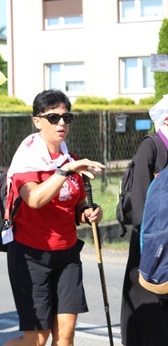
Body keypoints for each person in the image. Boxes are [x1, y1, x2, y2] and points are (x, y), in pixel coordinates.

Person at [4, 89, 105, 346]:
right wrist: (64, 170)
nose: (61, 123)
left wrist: (88, 213)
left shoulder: (67, 157)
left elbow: (77, 204)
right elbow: (35, 199)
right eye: (53, 117)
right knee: (37, 339)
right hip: (32, 256)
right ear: (37, 121)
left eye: (66, 117)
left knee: (66, 335)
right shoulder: (27, 160)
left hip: (67, 254)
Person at [120, 96, 168, 345]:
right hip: (150, 241)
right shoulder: (151, 146)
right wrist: (148, 238)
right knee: (146, 299)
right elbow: (139, 198)